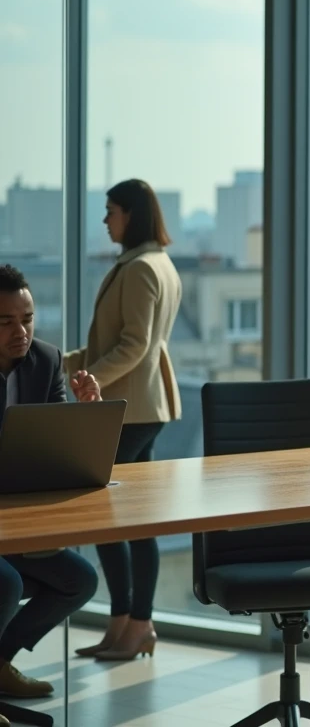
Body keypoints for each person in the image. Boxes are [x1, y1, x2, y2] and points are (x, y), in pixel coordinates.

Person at [67, 179, 182, 662]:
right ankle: (127, 625)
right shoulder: (158, 264)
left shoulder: (138, 269)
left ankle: (136, 624)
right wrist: (61, 361)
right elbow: (126, 345)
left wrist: (88, 376)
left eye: (110, 210)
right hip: (144, 405)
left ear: (130, 214)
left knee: (108, 518)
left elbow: (134, 346)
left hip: (129, 409)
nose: (105, 219)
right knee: (132, 523)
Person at [0, 265, 101, 718]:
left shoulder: (47, 360)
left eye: (27, 318)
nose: (20, 332)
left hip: (20, 521)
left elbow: (60, 447)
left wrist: (87, 414)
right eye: (5, 322)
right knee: (6, 583)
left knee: (79, 579)